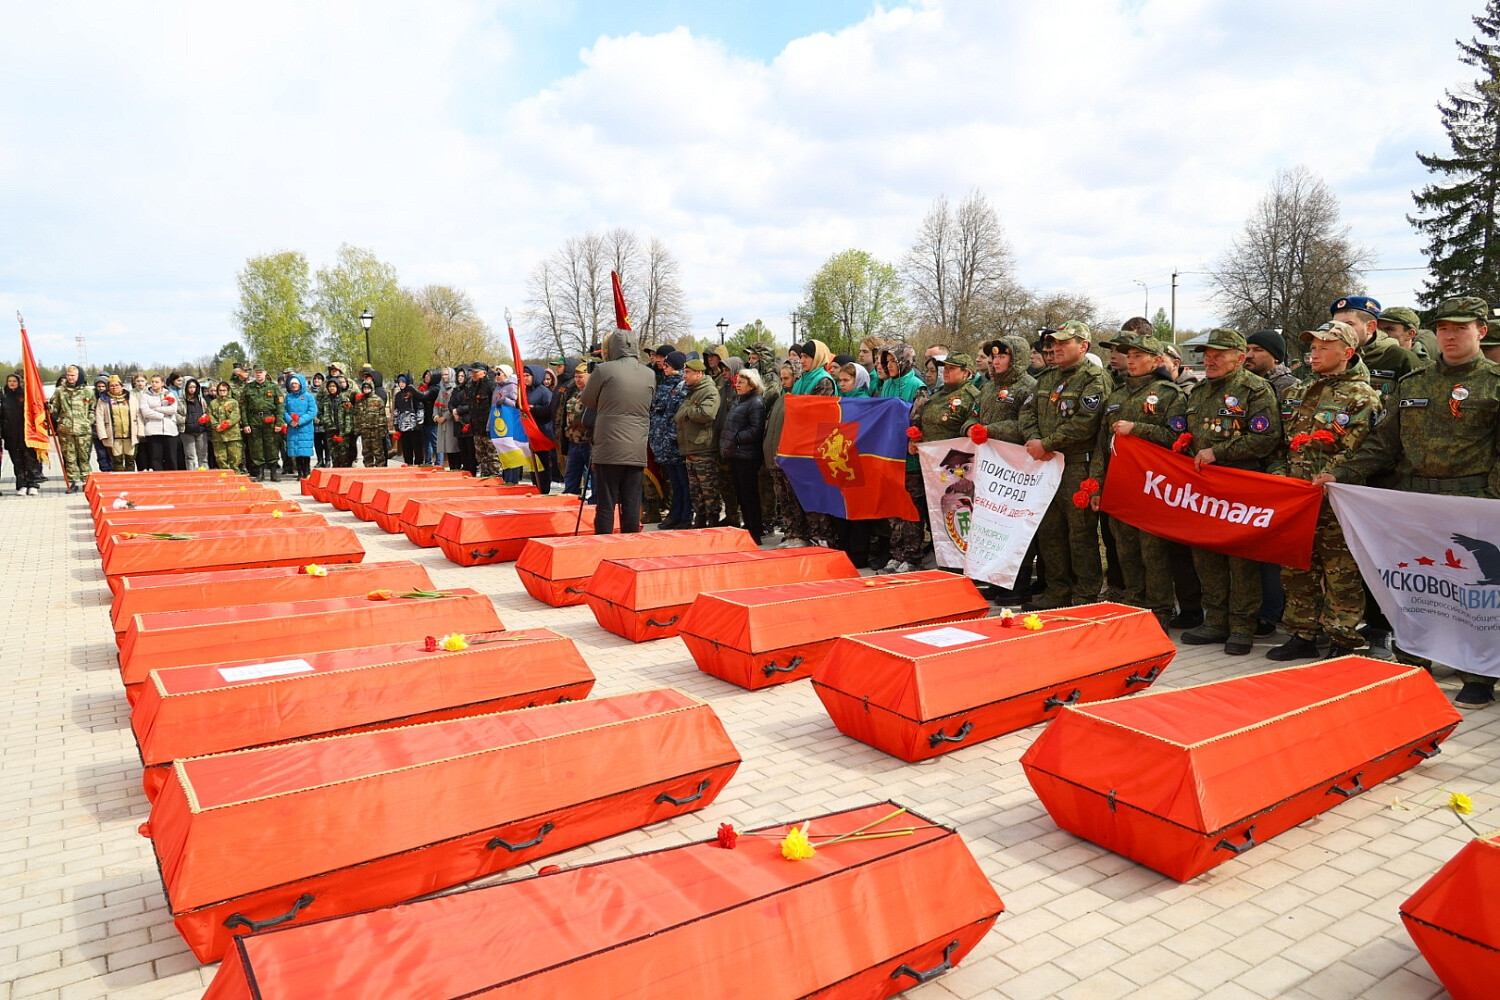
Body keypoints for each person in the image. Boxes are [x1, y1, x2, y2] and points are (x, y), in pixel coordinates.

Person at [1318, 296, 1500, 706]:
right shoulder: (1413, 383)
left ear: (1481, 331)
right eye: (1445, 329)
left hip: (1473, 502)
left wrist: (1490, 500)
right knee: (1421, 583)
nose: (1451, 336)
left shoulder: (1495, 384)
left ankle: (1477, 674)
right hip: (1416, 501)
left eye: (1461, 328)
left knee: (1472, 590)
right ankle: (1414, 655)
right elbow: (1384, 444)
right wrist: (1342, 472)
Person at [1261, 321, 1383, 661]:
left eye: (1324, 347)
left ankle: (1343, 640)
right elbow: (1279, 445)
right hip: (1296, 501)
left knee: (1340, 571)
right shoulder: (1297, 392)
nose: (1315, 352)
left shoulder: (1363, 396)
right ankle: (1303, 633)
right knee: (1297, 568)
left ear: (1347, 353)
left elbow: (1362, 449)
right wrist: (1278, 476)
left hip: (1336, 503)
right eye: (1313, 346)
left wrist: (1332, 474)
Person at [1178, 329, 1282, 654]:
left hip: (1240, 487)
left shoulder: (1255, 389)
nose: (1210, 359)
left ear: (1240, 357)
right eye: (1207, 354)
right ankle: (1215, 622)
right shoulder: (1198, 392)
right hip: (1203, 490)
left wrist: (1219, 452)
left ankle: (1241, 627)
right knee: (1206, 556)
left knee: (1241, 561)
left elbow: (1266, 438)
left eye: (1218, 354)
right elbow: (1187, 434)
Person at [1087, 332, 1186, 626]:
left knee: (1153, 552)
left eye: (1138, 356)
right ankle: (1135, 603)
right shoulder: (1116, 396)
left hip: (1154, 487)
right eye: (1128, 357)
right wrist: (1096, 485)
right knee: (1125, 549)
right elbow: (1103, 445)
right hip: (1121, 486)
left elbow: (1178, 439)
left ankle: (1161, 610)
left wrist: (1137, 429)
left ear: (1156, 360)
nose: (1131, 362)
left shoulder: (1170, 394)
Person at [899, 352, 981, 573]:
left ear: (967, 372)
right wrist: (918, 438)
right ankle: (941, 556)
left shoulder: (972, 396)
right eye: (945, 368)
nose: (946, 372)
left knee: (958, 514)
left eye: (952, 368)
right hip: (933, 468)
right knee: (933, 512)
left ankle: (963, 560)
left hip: (958, 470)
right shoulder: (936, 395)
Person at [580, 326, 655, 534]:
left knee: (606, 504)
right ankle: (628, 547)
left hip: (608, 448)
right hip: (636, 448)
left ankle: (603, 546)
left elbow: (586, 399)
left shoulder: (604, 370)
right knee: (631, 504)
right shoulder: (649, 374)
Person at [1330, 295, 1419, 400]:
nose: (1339, 330)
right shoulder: (1330, 355)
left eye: (1349, 324)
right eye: (1335, 325)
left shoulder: (1400, 357)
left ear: (1370, 327)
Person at [721, 368, 768, 543]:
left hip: (748, 457)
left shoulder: (756, 402)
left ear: (752, 385)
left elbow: (756, 430)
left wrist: (736, 438)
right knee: (741, 494)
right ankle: (748, 526)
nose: (737, 385)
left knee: (749, 495)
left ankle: (755, 531)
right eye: (737, 382)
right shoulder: (738, 401)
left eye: (741, 382)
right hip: (736, 454)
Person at [675, 358, 722, 527]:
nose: (684, 376)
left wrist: (688, 411)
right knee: (696, 491)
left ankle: (713, 522)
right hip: (691, 449)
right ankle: (700, 520)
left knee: (709, 490)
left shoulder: (709, 391)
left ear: (699, 373)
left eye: (688, 373)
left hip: (704, 449)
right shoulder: (693, 391)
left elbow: (707, 413)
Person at [46, 365, 92, 491]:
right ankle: (73, 482)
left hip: (83, 431)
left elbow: (93, 409)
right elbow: (55, 408)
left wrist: (88, 421)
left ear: (79, 376)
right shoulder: (60, 391)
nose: (70, 377)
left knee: (83, 457)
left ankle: (86, 481)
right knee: (69, 457)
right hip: (66, 430)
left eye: (73, 375)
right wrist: (48, 407)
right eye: (68, 375)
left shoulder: (87, 391)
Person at [2, 372, 43, 494]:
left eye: (14, 381)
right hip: (11, 434)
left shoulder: (26, 397)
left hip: (26, 434)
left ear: (19, 383)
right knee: (17, 462)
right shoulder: (4, 398)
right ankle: (21, 485)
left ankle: (33, 484)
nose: (12, 383)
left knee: (30, 460)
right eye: (10, 381)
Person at [241, 366, 285, 480]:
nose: (258, 374)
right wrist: (245, 424)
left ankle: (273, 473)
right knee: (256, 447)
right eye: (256, 373)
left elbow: (280, 406)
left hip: (269, 419)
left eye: (261, 372)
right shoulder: (248, 388)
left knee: (272, 446)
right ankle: (260, 473)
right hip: (254, 419)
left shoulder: (273, 387)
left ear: (265, 373)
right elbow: (243, 407)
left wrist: (279, 423)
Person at [92, 375, 138, 473]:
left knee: (130, 461)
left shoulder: (130, 398)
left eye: (116, 385)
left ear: (121, 386)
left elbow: (138, 415)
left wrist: (140, 432)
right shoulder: (103, 400)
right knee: (117, 461)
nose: (114, 387)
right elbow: (99, 418)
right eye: (111, 385)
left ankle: (130, 480)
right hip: (113, 436)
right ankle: (119, 481)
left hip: (129, 435)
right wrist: (103, 435)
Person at [135, 374, 179, 472]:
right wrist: (162, 415)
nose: (154, 384)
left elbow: (173, 409)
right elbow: (145, 412)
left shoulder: (169, 394)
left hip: (169, 430)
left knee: (171, 457)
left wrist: (157, 409)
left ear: (162, 383)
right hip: (153, 430)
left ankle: (171, 479)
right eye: (152, 382)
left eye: (156, 382)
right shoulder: (145, 395)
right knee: (155, 458)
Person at [562, 363, 593, 497]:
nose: (577, 380)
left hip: (588, 441)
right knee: (571, 475)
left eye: (580, 377)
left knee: (594, 476)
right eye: (575, 377)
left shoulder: (594, 392)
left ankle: (594, 501)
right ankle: (570, 498)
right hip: (573, 441)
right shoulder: (572, 391)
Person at [281, 374, 318, 479]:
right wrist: (290, 420)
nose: (294, 386)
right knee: (296, 450)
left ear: (301, 384)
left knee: (305, 450)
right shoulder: (288, 397)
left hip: (305, 428)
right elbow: (284, 411)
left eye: (296, 383)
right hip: (292, 428)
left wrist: (300, 421)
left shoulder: (308, 397)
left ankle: (306, 471)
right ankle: (300, 472)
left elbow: (312, 411)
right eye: (292, 384)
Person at [206, 381, 244, 473]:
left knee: (235, 457)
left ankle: (236, 475)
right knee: (220, 458)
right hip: (218, 435)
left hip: (232, 435)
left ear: (228, 391)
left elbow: (236, 416)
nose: (222, 392)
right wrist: (216, 426)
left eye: (224, 390)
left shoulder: (233, 402)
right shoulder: (213, 403)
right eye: (220, 390)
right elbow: (209, 415)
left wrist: (225, 424)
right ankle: (225, 475)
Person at [352, 376, 388, 467]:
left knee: (378, 452)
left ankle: (380, 470)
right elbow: (356, 416)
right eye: (364, 388)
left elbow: (382, 417)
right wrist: (357, 429)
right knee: (366, 453)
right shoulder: (359, 401)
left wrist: (382, 431)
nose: (366, 390)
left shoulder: (378, 400)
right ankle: (368, 469)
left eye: (368, 388)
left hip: (376, 431)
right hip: (365, 432)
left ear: (372, 388)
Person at [391, 374, 425, 467]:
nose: (401, 384)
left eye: (403, 382)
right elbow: (396, 410)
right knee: (406, 448)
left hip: (414, 426)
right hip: (403, 426)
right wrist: (396, 423)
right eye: (400, 382)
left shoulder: (414, 393)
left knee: (417, 447)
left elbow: (420, 408)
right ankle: (408, 464)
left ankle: (419, 464)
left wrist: (420, 422)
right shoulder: (398, 395)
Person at [323, 377, 355, 467]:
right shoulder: (325, 399)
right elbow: (320, 412)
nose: (332, 388)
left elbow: (349, 415)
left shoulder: (344, 399)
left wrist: (346, 430)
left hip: (343, 431)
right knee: (334, 454)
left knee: (344, 455)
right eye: (330, 386)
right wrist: (324, 420)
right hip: (330, 430)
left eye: (334, 386)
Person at [433, 367, 460, 469]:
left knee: (452, 446)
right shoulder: (441, 389)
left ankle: (456, 467)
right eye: (443, 375)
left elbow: (453, 405)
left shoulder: (454, 389)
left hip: (450, 420)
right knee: (446, 447)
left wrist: (445, 417)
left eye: (446, 375)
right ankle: (451, 467)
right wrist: (436, 416)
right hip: (441, 421)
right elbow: (436, 404)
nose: (444, 377)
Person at [179, 378, 210, 470]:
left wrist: (205, 418)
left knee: (203, 455)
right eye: (190, 387)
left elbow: (206, 411)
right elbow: (175, 414)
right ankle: (192, 474)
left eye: (194, 387)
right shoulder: (180, 400)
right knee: (190, 456)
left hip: (201, 430)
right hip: (187, 430)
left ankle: (205, 474)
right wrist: (185, 420)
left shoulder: (201, 399)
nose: (192, 389)